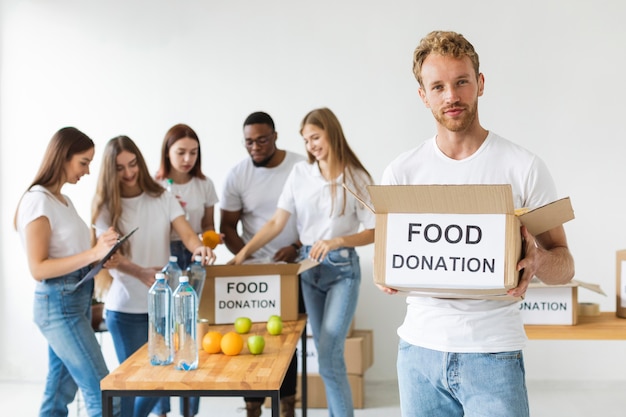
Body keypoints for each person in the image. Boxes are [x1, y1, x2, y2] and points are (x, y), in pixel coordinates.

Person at [378, 30, 575, 417]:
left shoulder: (524, 168)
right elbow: (389, 261)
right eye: (438, 86)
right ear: (423, 95)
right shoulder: (401, 173)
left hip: (493, 354)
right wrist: (388, 271)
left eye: (461, 82)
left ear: (480, 84)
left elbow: (565, 265)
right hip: (418, 353)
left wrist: (536, 260)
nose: (451, 96)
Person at [231, 108, 375, 417]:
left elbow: (374, 230)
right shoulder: (301, 174)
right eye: (306, 140)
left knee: (330, 351)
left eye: (316, 137)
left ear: (331, 134)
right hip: (308, 268)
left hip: (342, 271)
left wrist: (339, 241)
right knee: (325, 356)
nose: (311, 146)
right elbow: (276, 223)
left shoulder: (356, 177)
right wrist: (242, 255)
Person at [91, 135, 216, 417]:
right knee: (135, 386)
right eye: (120, 168)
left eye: (133, 164)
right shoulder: (104, 207)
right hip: (125, 310)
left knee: (159, 383)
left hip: (163, 308)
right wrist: (139, 272)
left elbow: (186, 234)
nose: (129, 173)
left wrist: (200, 249)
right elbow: (106, 257)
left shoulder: (163, 197)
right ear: (110, 172)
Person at [14, 127, 121, 417]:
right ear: (63, 157)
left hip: (75, 300)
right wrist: (93, 253)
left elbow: (72, 255)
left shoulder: (63, 200)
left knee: (60, 392)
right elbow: (38, 268)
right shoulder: (38, 201)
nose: (87, 171)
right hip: (59, 306)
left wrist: (100, 256)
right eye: (83, 162)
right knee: (105, 392)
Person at [220, 111, 306, 417]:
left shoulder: (300, 166)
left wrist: (296, 246)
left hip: (291, 268)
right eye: (248, 142)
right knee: (249, 336)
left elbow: (311, 218)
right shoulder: (237, 175)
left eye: (261, 140)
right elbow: (227, 226)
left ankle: (287, 407)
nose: (255, 147)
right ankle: (252, 407)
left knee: (287, 339)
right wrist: (249, 257)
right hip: (253, 272)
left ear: (275, 137)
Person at [152, 123, 219, 417]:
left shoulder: (204, 185)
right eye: (180, 152)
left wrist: (210, 240)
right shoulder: (154, 186)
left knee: (190, 329)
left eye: (193, 152)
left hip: (195, 256)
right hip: (165, 256)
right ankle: (161, 408)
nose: (187, 159)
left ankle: (190, 410)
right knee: (162, 329)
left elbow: (208, 226)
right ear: (167, 153)